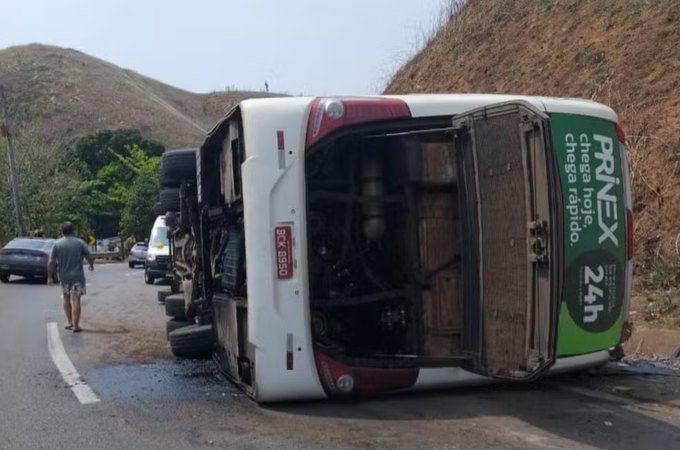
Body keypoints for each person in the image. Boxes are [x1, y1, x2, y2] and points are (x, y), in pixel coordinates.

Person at [47, 222, 95, 333]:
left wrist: (49, 276)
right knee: (76, 298)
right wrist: (91, 265)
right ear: (73, 231)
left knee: (66, 297)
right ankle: (76, 325)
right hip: (77, 276)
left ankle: (69, 322)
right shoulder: (80, 242)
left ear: (62, 231)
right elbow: (89, 257)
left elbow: (51, 262)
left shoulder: (57, 244)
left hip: (63, 276)